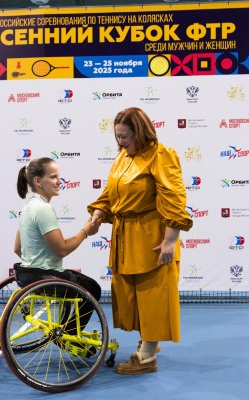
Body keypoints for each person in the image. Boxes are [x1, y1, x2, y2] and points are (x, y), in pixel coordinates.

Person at [88, 107, 193, 374]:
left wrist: (170, 241)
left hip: (152, 235)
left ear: (141, 132)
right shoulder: (123, 156)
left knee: (153, 294)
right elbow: (112, 191)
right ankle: (149, 339)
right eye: (117, 136)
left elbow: (174, 198)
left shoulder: (161, 155)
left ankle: (147, 357)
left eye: (125, 136)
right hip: (125, 235)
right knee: (132, 294)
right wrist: (100, 210)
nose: (120, 141)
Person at [13, 157, 101, 335]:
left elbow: (17, 249)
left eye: (58, 177)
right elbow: (62, 249)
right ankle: (69, 336)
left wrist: (37, 260)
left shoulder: (29, 206)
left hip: (25, 275)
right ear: (38, 181)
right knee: (93, 288)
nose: (59, 181)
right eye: (53, 177)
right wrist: (86, 231)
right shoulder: (43, 209)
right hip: (45, 277)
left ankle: (68, 331)